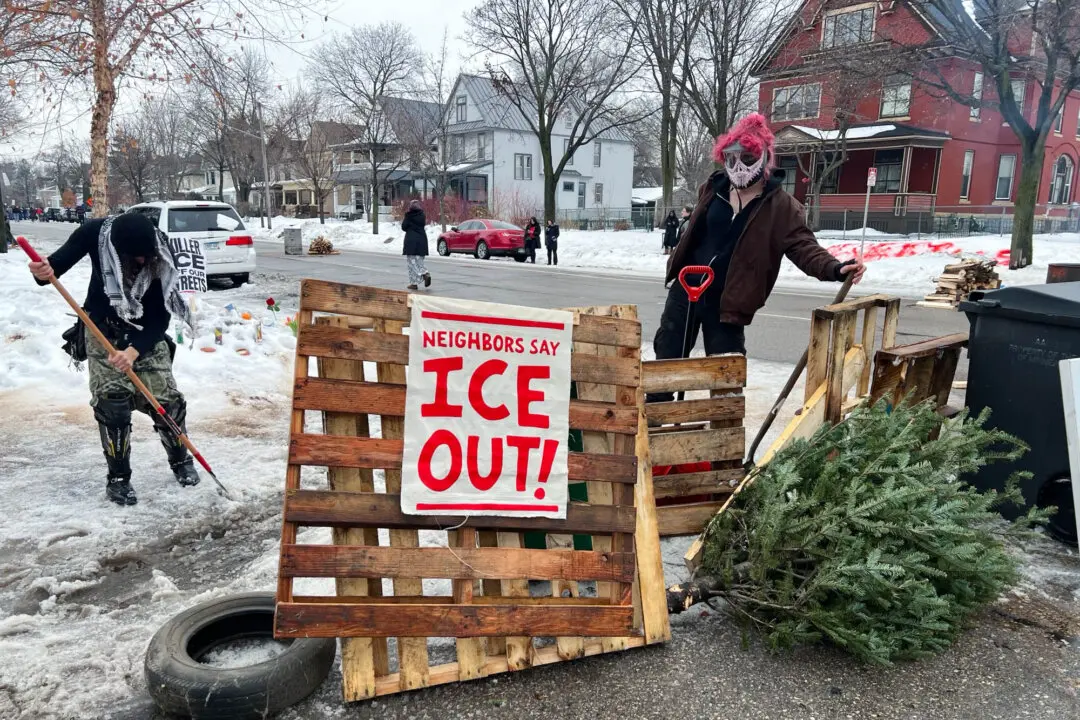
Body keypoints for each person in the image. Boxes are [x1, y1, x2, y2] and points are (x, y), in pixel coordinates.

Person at [650, 113, 865, 403]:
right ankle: (653, 432)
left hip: (729, 300)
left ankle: (723, 441)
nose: (738, 166)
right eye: (731, 158)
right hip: (686, 290)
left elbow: (803, 246)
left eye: (748, 157)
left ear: (764, 157)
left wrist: (835, 268)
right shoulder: (713, 189)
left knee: (727, 373)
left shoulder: (781, 206)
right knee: (666, 364)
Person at [26, 212, 201, 505]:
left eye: (147, 257)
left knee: (167, 403)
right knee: (113, 406)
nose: (143, 263)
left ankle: (181, 461)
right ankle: (119, 479)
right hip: (101, 328)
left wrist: (133, 351)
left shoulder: (159, 252)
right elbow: (50, 272)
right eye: (136, 258)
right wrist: (40, 270)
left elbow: (159, 317)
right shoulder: (94, 233)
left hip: (146, 330)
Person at [401, 199, 431, 290]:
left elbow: (404, 227)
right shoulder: (422, 215)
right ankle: (420, 278)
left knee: (412, 263)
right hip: (422, 241)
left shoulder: (409, 216)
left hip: (411, 241)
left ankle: (420, 277)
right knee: (420, 261)